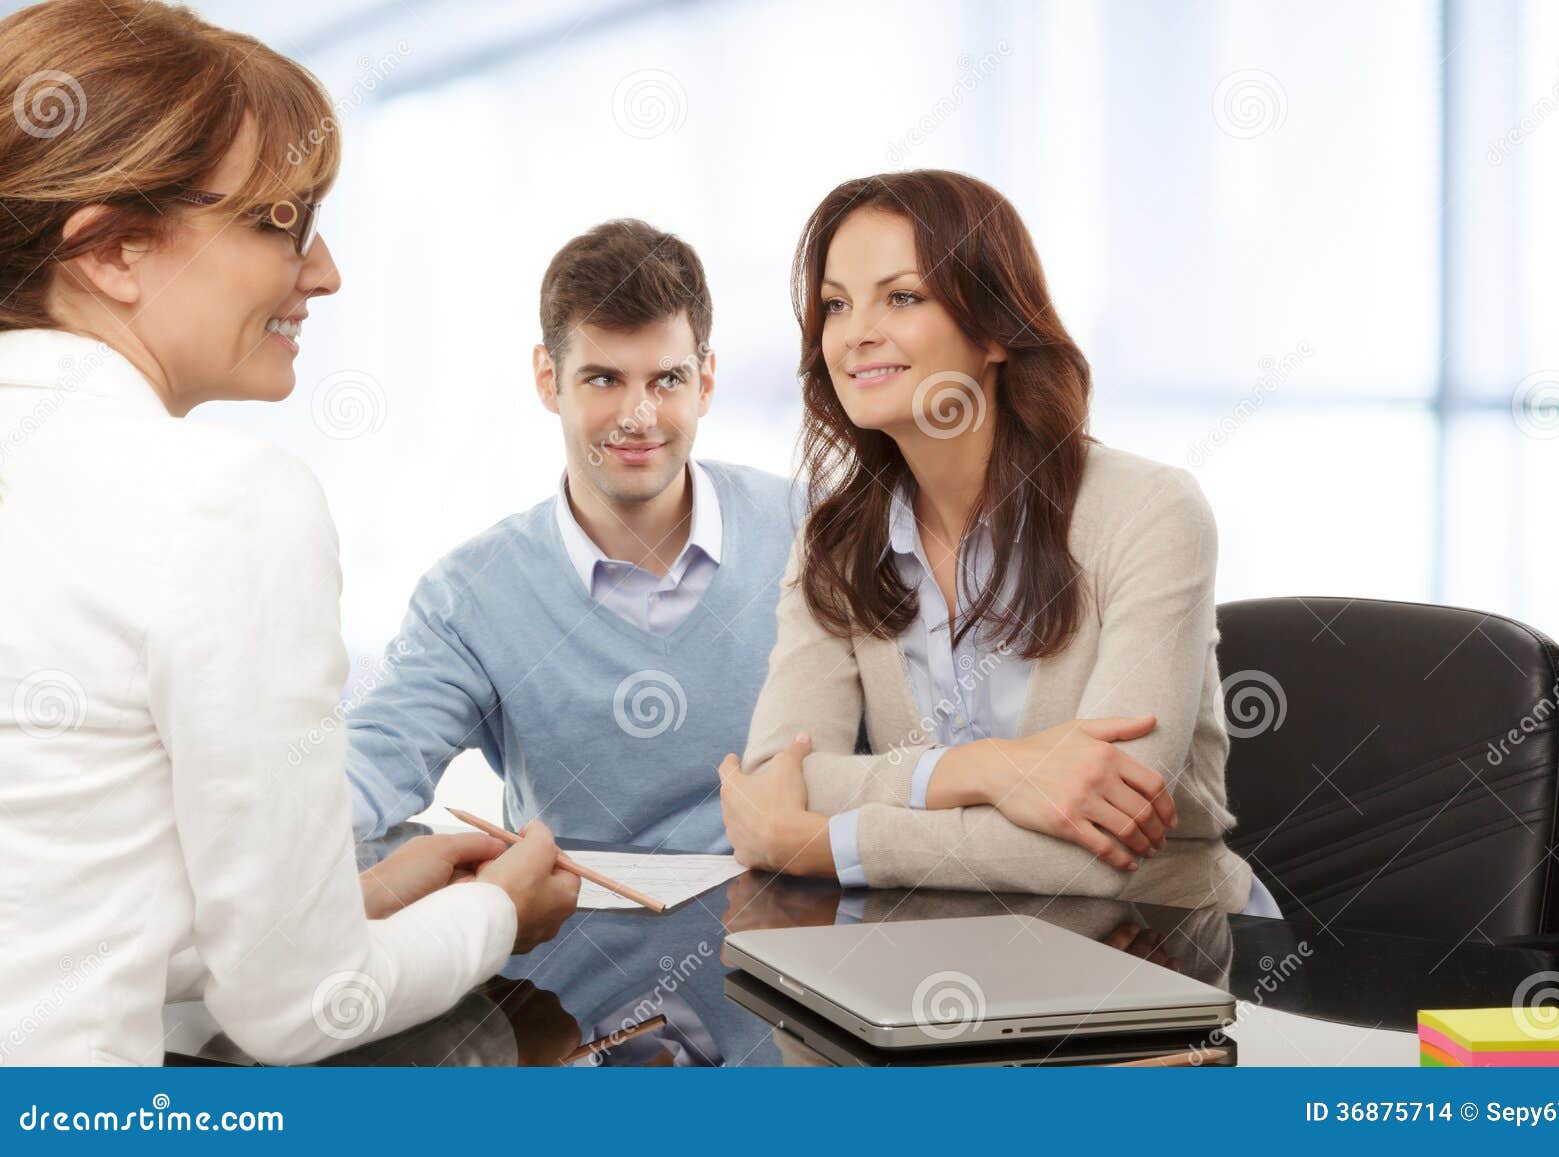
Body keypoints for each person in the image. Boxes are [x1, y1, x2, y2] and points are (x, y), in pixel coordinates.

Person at [0, 0, 577, 1067]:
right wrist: (498, 910)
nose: (322, 273)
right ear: (115, 250)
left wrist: (339, 902)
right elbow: (306, 1009)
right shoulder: (223, 498)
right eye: (279, 223)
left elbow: (58, 906)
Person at [717, 169, 1280, 918]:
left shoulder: (1149, 512)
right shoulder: (836, 541)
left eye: (903, 297)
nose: (855, 333)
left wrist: (819, 844)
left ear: (993, 329)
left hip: (1163, 956)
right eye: (835, 304)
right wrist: (991, 770)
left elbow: (1103, 848)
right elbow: (777, 776)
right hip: (943, 959)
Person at [344, 221, 796, 851]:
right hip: (563, 945)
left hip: (784, 943)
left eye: (666, 380)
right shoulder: (471, 596)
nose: (638, 416)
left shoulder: (811, 533)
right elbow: (374, 764)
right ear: (547, 378)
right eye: (604, 379)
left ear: (707, 382)